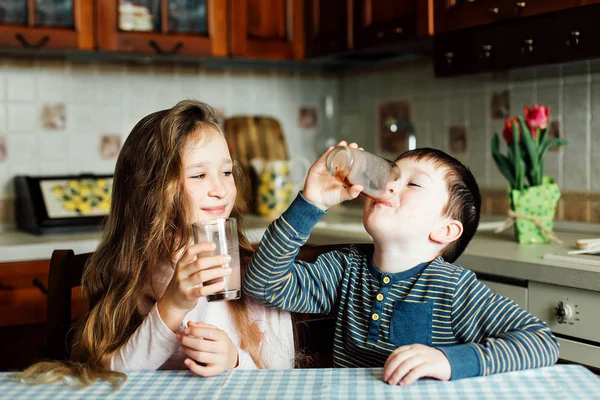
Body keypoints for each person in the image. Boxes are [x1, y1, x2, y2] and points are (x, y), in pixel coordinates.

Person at [19, 100, 294, 387]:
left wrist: (235, 362)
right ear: (150, 189)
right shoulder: (134, 272)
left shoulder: (260, 273)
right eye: (199, 175)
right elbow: (109, 378)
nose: (221, 189)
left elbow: (284, 374)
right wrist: (172, 305)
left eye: (226, 172)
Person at [244, 142, 559, 386]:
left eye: (413, 184)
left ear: (445, 230)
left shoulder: (452, 288)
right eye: (390, 175)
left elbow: (540, 341)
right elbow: (263, 284)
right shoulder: (344, 269)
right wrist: (310, 202)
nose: (389, 185)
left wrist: (448, 361)